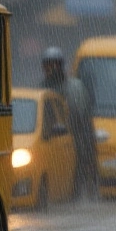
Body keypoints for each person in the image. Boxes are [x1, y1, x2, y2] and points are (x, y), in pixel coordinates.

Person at [41, 47, 96, 198]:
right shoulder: (42, 89)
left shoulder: (75, 88)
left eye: (54, 65)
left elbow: (82, 120)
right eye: (47, 66)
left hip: (75, 143)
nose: (50, 70)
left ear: (61, 66)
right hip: (50, 144)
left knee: (75, 181)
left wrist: (85, 150)